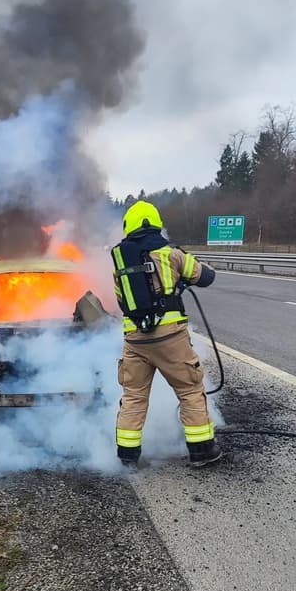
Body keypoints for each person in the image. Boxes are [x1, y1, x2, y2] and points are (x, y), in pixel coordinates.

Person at [111, 200, 222, 468]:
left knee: (134, 396)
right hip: (169, 338)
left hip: (135, 339)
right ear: (155, 223)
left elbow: (120, 301)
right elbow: (205, 277)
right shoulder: (169, 252)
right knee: (190, 390)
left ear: (130, 225)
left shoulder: (118, 259)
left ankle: (127, 456)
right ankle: (202, 451)